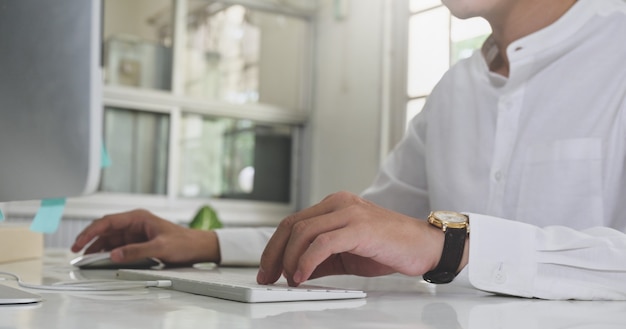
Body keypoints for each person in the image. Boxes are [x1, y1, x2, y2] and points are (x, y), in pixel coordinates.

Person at [72, 0, 626, 300]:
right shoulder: (456, 89)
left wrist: (448, 247)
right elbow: (359, 229)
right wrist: (209, 241)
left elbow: (426, 243)